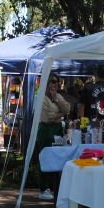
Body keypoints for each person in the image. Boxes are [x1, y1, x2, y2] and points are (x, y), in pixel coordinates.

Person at [35, 73, 70, 201]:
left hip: (57, 131)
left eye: (56, 82)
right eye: (52, 81)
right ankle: (44, 188)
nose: (54, 84)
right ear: (46, 83)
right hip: (45, 130)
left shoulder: (58, 96)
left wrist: (58, 101)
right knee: (45, 158)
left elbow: (67, 109)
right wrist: (60, 115)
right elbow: (47, 118)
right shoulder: (42, 98)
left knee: (57, 158)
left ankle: (55, 187)